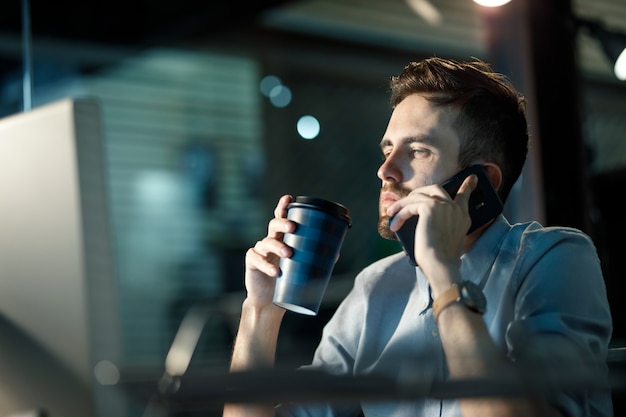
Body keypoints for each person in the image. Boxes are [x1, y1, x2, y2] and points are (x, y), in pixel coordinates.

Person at [222, 57, 613, 417]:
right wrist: (260, 311)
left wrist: (444, 273)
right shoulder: (375, 287)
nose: (385, 171)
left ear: (478, 185)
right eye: (388, 149)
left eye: (418, 151)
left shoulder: (556, 257)